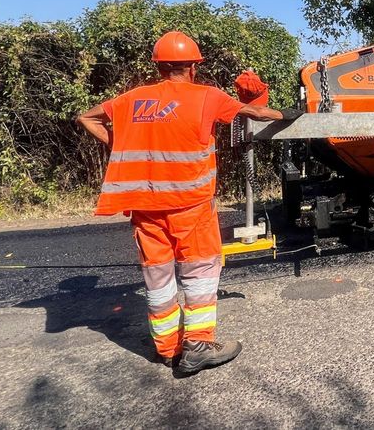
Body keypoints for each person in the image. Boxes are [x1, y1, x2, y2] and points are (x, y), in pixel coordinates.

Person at [77, 30, 298, 375]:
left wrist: (118, 144)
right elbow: (257, 112)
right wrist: (289, 114)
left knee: (158, 277)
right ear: (194, 66)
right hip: (190, 205)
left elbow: (86, 118)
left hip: (145, 207)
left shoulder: (133, 99)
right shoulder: (206, 97)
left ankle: (167, 349)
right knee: (199, 273)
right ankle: (197, 345)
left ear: (160, 66)